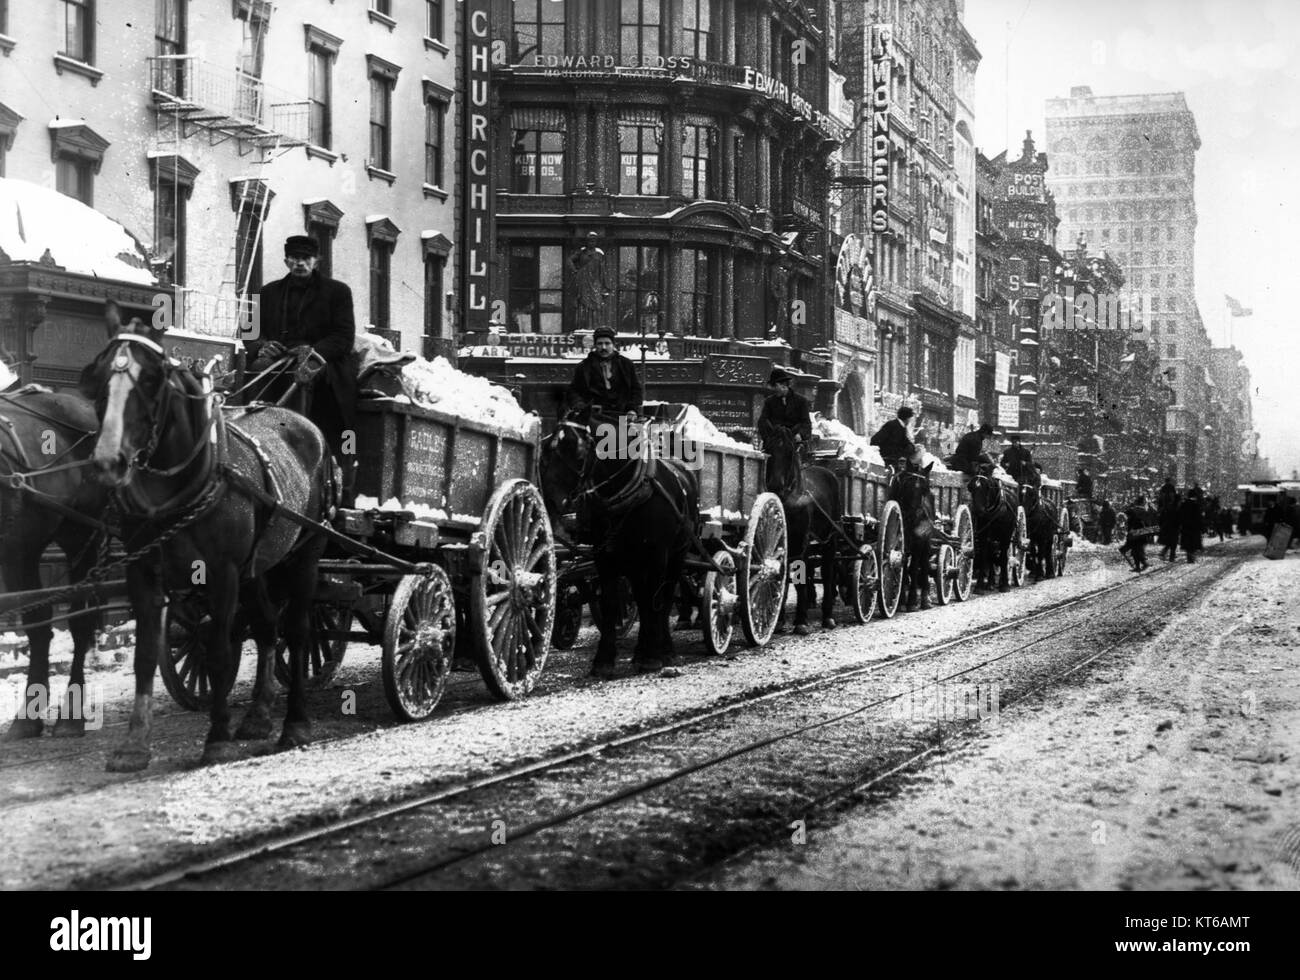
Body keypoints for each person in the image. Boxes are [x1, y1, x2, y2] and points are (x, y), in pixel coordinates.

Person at [246, 234, 358, 505]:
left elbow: (344, 336)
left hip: (325, 366)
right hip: (277, 364)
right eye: (294, 258)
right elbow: (248, 333)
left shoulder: (338, 292)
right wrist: (262, 345)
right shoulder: (265, 293)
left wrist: (314, 353)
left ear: (315, 261)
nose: (300, 264)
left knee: (340, 421)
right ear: (286, 260)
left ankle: (337, 475)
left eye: (305, 259)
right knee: (252, 382)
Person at [567, 324, 643, 417]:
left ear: (613, 344)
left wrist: (632, 409)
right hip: (594, 417)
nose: (603, 347)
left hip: (622, 416)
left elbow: (636, 389)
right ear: (595, 345)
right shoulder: (583, 367)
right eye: (600, 343)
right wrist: (581, 407)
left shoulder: (626, 364)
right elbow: (573, 391)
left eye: (607, 343)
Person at [757, 367, 812, 449]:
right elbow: (762, 422)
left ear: (783, 385)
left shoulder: (801, 401)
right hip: (774, 443)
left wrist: (800, 434)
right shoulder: (769, 402)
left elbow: (806, 423)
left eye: (775, 386)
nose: (774, 389)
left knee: (796, 459)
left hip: (795, 443)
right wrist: (768, 438)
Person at [567, 232, 611, 333]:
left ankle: (594, 326)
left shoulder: (599, 255)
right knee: (583, 304)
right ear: (586, 242)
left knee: (596, 304)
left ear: (596, 242)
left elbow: (603, 271)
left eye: (594, 240)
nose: (592, 242)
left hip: (595, 283)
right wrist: (575, 271)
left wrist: (605, 286)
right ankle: (584, 326)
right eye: (590, 240)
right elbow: (569, 260)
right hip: (583, 281)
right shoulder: (581, 253)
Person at [1118, 496, 1153, 571]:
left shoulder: (1133, 511)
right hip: (1141, 534)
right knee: (1136, 551)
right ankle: (1141, 565)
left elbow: (1122, 516)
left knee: (1135, 551)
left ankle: (1141, 565)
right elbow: (1149, 524)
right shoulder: (1144, 511)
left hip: (1135, 535)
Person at [1179, 486, 1204, 563]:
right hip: (1194, 527)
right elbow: (1198, 517)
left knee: (1187, 543)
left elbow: (1180, 515)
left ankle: (1189, 556)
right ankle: (1191, 557)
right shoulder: (1195, 505)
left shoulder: (1184, 504)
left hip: (1186, 526)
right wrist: (1201, 526)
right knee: (1193, 543)